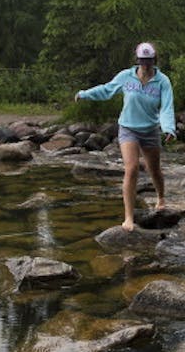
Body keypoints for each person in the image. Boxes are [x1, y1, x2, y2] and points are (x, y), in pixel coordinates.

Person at [74, 42, 176, 231]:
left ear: (155, 60)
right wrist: (85, 94)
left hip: (150, 130)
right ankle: (128, 217)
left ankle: (161, 197)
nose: (146, 64)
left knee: (154, 170)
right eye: (142, 60)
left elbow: (167, 106)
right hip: (128, 128)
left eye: (149, 60)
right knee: (132, 168)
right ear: (137, 60)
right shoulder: (126, 77)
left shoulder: (163, 81)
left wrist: (169, 128)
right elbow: (106, 90)